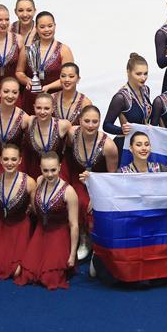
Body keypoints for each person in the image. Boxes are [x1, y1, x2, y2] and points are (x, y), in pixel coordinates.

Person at [14, 151, 79, 290]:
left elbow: (74, 225)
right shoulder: (39, 181)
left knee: (50, 279)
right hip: (40, 232)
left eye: (53, 170)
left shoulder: (69, 191)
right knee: (25, 275)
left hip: (58, 235)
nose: (49, 174)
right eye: (45, 170)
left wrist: (72, 255)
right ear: (40, 168)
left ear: (60, 167)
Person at [64, 105, 115, 260]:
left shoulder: (108, 146)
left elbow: (112, 177)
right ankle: (83, 237)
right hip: (76, 178)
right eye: (87, 121)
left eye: (95, 121)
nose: (91, 125)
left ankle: (95, 242)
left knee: (90, 205)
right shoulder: (72, 134)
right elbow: (65, 156)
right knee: (77, 201)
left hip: (98, 184)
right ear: (80, 121)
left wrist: (97, 195)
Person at [0, 144, 35, 279]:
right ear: (0, 160)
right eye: (6, 159)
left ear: (20, 160)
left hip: (20, 229)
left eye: (13, 159)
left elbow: (36, 208)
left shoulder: (29, 182)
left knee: (17, 271)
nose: (9, 163)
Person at [16, 11, 74, 113]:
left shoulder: (64, 50)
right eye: (42, 27)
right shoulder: (28, 50)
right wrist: (28, 80)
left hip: (54, 98)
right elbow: (19, 72)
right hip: (31, 97)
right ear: (36, 28)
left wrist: (48, 87)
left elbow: (70, 77)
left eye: (50, 26)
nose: (47, 30)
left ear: (55, 26)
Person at [102, 53, 151, 166]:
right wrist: (121, 130)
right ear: (128, 72)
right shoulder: (121, 98)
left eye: (145, 73)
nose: (143, 78)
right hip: (126, 145)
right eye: (138, 74)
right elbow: (106, 125)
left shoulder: (146, 90)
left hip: (142, 145)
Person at [23, 93, 72, 180]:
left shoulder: (63, 125)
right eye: (38, 108)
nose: (42, 112)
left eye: (46, 108)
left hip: (55, 173)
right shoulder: (30, 121)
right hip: (34, 171)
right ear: (34, 107)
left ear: (53, 108)